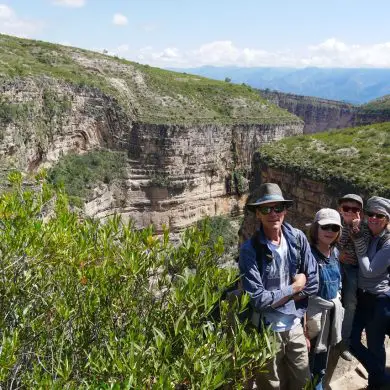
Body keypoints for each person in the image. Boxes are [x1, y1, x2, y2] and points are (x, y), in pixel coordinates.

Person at [239, 183, 319, 390]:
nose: (273, 214)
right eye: (266, 209)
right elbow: (258, 300)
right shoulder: (250, 250)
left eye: (278, 208)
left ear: (285, 210)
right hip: (266, 332)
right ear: (258, 213)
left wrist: (280, 298)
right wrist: (294, 288)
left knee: (303, 383)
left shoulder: (298, 239)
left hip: (294, 327)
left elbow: (313, 284)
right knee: (272, 386)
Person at [350, 196, 390, 389]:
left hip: (378, 300)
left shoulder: (388, 243)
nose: (373, 218)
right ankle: (380, 376)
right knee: (350, 339)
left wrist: (357, 241)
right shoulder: (369, 235)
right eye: (370, 214)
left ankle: (377, 382)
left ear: (387, 219)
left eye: (379, 215)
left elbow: (370, 270)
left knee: (375, 345)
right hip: (362, 297)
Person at [306, 209, 344, 390]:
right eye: (325, 227)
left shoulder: (334, 253)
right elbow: (303, 293)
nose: (330, 231)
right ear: (315, 229)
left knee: (321, 365)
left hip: (330, 316)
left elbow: (339, 282)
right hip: (313, 320)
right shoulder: (309, 256)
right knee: (310, 365)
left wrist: (338, 298)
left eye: (334, 227)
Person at [337, 194, 370, 361]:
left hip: (353, 269)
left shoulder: (365, 229)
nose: (350, 212)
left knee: (350, 303)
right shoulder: (335, 224)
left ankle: (344, 343)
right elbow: (333, 244)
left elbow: (362, 251)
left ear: (360, 213)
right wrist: (338, 255)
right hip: (336, 265)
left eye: (354, 209)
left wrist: (355, 231)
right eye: (346, 208)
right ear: (340, 210)